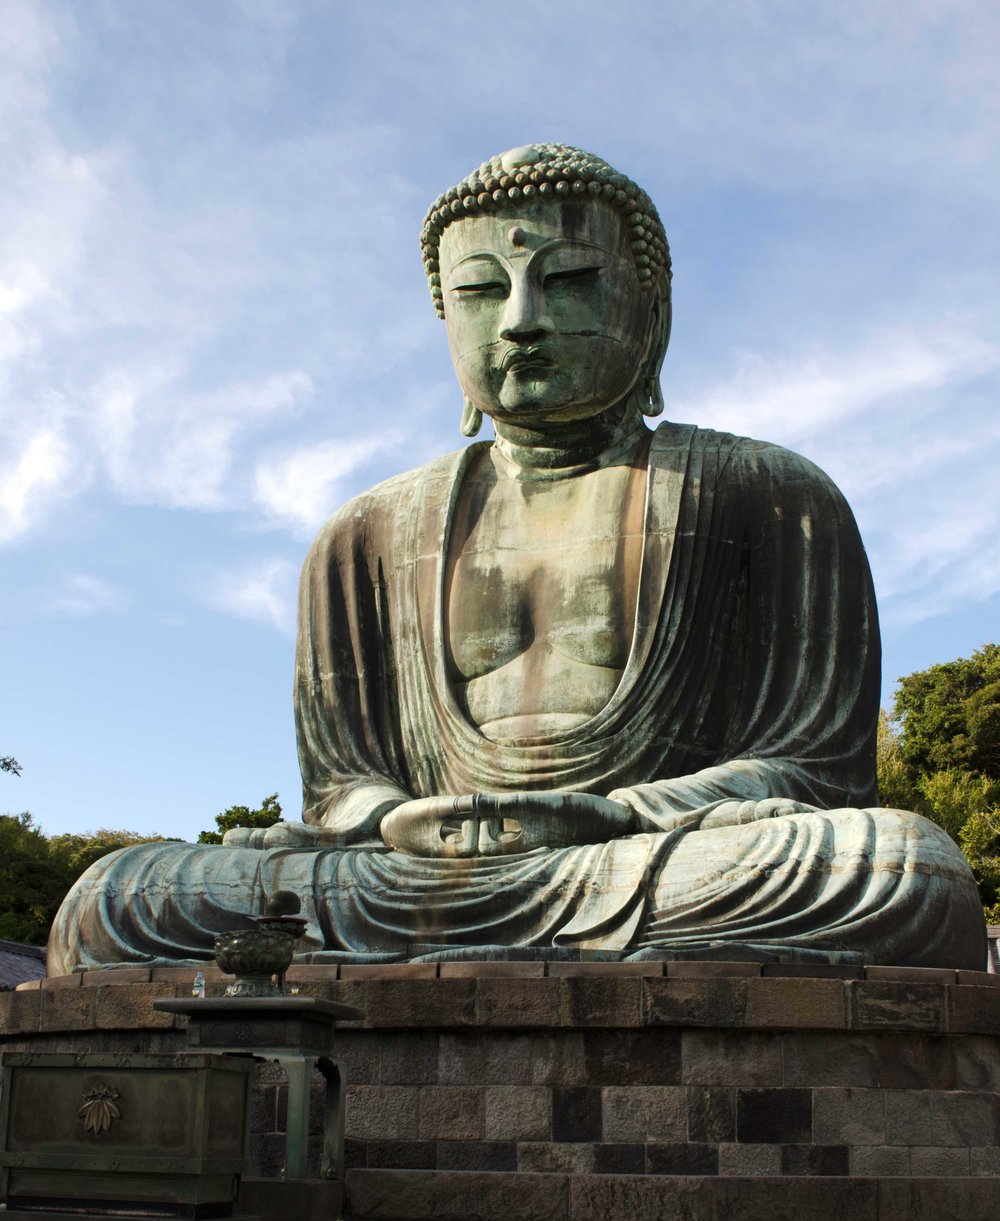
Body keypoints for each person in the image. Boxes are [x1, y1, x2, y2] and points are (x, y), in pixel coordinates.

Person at [47, 145, 985, 974]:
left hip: (646, 861)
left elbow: (811, 772)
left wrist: (615, 815)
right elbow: (342, 786)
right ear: (445, 316)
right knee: (113, 899)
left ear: (650, 312)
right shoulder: (363, 536)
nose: (523, 321)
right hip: (411, 875)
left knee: (902, 871)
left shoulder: (770, 495)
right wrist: (391, 819)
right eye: (484, 291)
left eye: (569, 280)